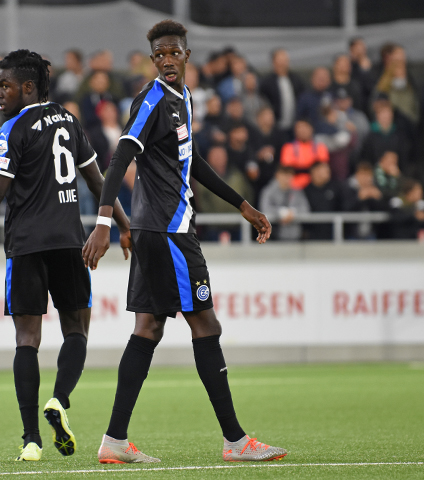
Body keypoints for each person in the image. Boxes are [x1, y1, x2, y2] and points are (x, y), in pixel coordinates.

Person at [82, 20, 286, 464]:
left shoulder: (183, 99)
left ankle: (115, 440)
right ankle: (236, 442)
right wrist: (103, 221)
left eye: (173, 52)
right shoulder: (153, 99)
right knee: (206, 326)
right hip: (168, 232)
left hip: (158, 231)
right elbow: (120, 157)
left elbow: (191, 163)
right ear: (152, 60)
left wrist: (242, 205)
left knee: (148, 328)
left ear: (187, 55)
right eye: (159, 55)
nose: (167, 60)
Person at [0, 49, 131, 462]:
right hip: (69, 242)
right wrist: (125, 226)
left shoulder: (13, 128)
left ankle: (31, 441)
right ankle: (59, 399)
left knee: (27, 340)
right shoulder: (69, 120)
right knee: (76, 330)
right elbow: (98, 181)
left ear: (27, 87)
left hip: (25, 245)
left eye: (4, 86)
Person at [260, 165, 310, 241]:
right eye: (284, 175)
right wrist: (280, 213)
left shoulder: (297, 191)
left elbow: (305, 209)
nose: (287, 178)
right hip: (273, 237)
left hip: (295, 237)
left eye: (289, 175)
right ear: (277, 175)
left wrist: (293, 213)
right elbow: (264, 210)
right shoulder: (268, 192)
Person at [280, 118, 329, 190]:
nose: (302, 130)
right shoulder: (288, 148)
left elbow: (322, 169)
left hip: (316, 186)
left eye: (305, 127)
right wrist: (310, 166)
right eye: (299, 128)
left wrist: (299, 165)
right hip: (294, 187)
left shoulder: (320, 147)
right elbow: (287, 170)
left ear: (311, 129)